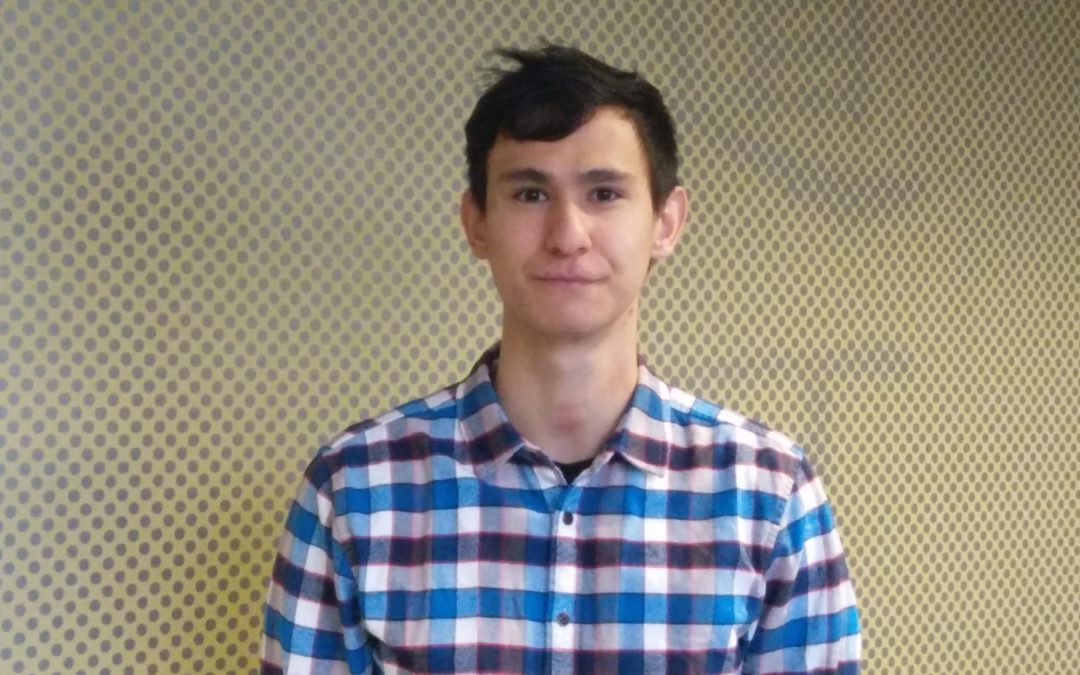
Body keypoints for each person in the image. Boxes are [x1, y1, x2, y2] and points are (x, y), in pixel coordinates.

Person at [261, 44, 860, 674]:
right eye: (529, 193)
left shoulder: (769, 492)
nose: (568, 235)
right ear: (477, 222)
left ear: (665, 222)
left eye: (604, 192)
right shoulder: (353, 489)